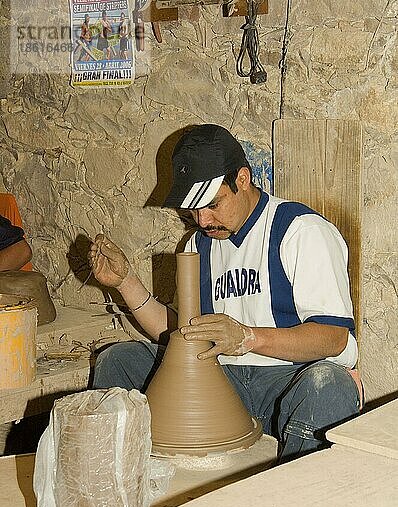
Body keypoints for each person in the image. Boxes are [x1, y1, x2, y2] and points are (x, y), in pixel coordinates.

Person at [89, 124, 360, 462]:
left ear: (242, 179)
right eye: (193, 210)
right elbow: (182, 332)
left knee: (328, 384)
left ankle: (292, 503)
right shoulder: (199, 243)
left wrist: (248, 338)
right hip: (224, 376)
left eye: (213, 204)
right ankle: (114, 483)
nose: (202, 220)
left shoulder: (301, 230)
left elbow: (332, 338)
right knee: (118, 360)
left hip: (290, 378)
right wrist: (125, 282)